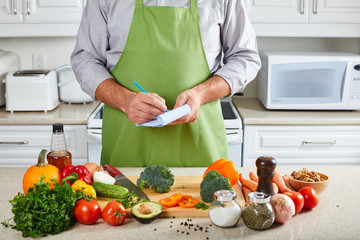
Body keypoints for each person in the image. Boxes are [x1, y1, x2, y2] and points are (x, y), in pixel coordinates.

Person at [71, 0, 261, 167]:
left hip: (201, 150)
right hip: (126, 151)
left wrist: (201, 94)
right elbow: (85, 59)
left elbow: (245, 57)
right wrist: (125, 100)